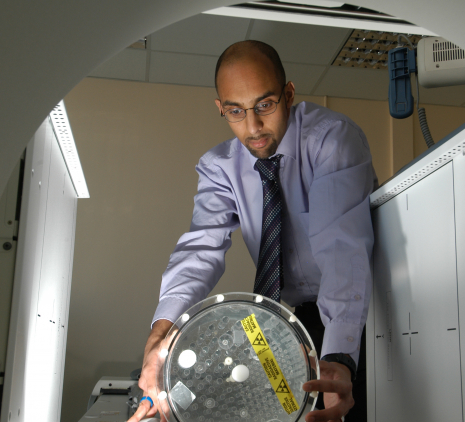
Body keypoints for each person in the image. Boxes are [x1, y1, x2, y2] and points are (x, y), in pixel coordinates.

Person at [128, 40, 376, 422]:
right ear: (220, 108)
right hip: (299, 317)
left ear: (288, 94)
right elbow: (200, 251)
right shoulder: (219, 167)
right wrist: (158, 340)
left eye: (265, 105)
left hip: (361, 310)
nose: (253, 126)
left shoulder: (331, 140)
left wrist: (341, 356)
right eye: (235, 111)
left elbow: (341, 251)